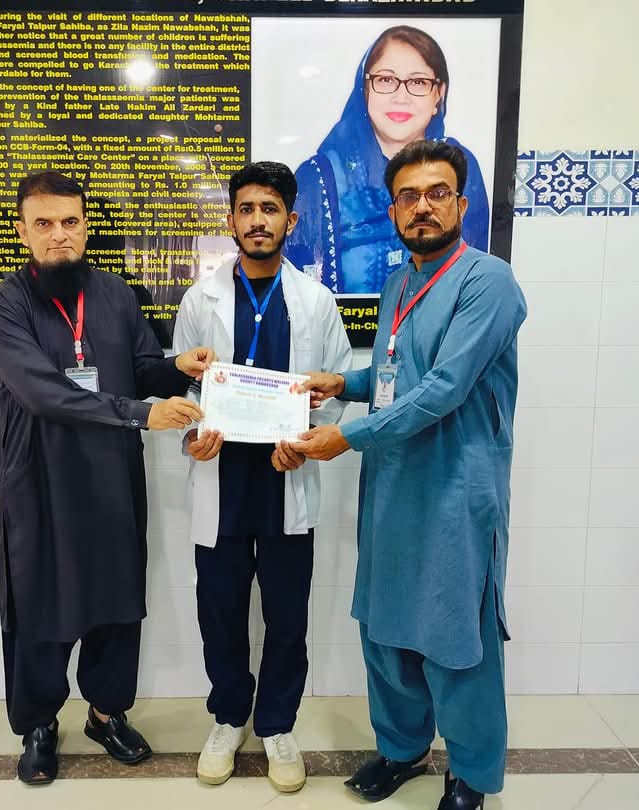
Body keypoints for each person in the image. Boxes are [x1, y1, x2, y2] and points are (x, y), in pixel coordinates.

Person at [293, 141, 525, 810]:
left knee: (456, 637)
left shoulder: (488, 281)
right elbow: (396, 373)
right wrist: (344, 382)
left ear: (461, 203)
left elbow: (445, 388)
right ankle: (402, 749)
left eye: (437, 193)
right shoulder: (401, 281)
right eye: (409, 196)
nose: (423, 206)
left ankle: (471, 773)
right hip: (393, 487)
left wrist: (348, 434)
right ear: (393, 209)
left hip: (456, 492)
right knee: (386, 627)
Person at [0, 171, 215, 786]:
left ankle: (106, 713)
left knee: (115, 599)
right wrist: (140, 414)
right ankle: (38, 723)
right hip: (38, 477)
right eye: (44, 223)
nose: (58, 235)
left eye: (70, 222)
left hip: (110, 475)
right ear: (23, 231)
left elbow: (139, 366)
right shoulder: (3, 304)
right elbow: (42, 391)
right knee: (38, 601)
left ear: (86, 227)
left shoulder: (115, 293)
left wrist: (178, 367)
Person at [171, 162, 352, 792]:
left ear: (290, 220)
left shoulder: (315, 301)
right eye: (246, 209)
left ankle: (276, 725)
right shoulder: (199, 300)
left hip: (284, 485)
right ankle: (228, 719)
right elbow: (184, 387)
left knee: (287, 617)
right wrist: (192, 437)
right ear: (231, 219)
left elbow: (332, 387)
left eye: (269, 209)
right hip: (222, 484)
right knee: (219, 613)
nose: (257, 221)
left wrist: (308, 440)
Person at [285, 25, 490, 296]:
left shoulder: (461, 168)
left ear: (438, 93)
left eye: (418, 82)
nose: (400, 97)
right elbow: (300, 291)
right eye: (385, 80)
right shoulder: (318, 177)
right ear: (365, 89)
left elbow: (473, 282)